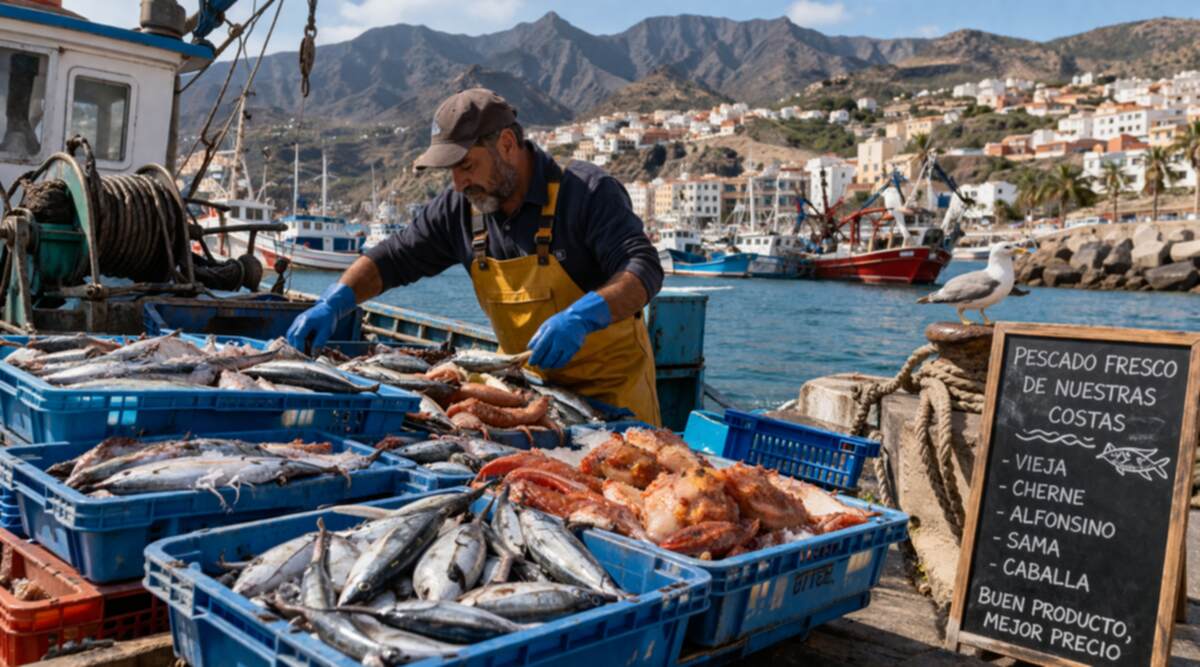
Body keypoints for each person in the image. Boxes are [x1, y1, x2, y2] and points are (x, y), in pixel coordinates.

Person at [286, 89, 663, 425]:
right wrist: (336, 301)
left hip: (614, 399)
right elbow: (393, 258)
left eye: (467, 166)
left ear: (507, 144)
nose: (459, 183)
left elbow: (642, 268)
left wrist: (583, 317)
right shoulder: (460, 208)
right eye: (452, 171)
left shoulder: (585, 192)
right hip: (524, 393)